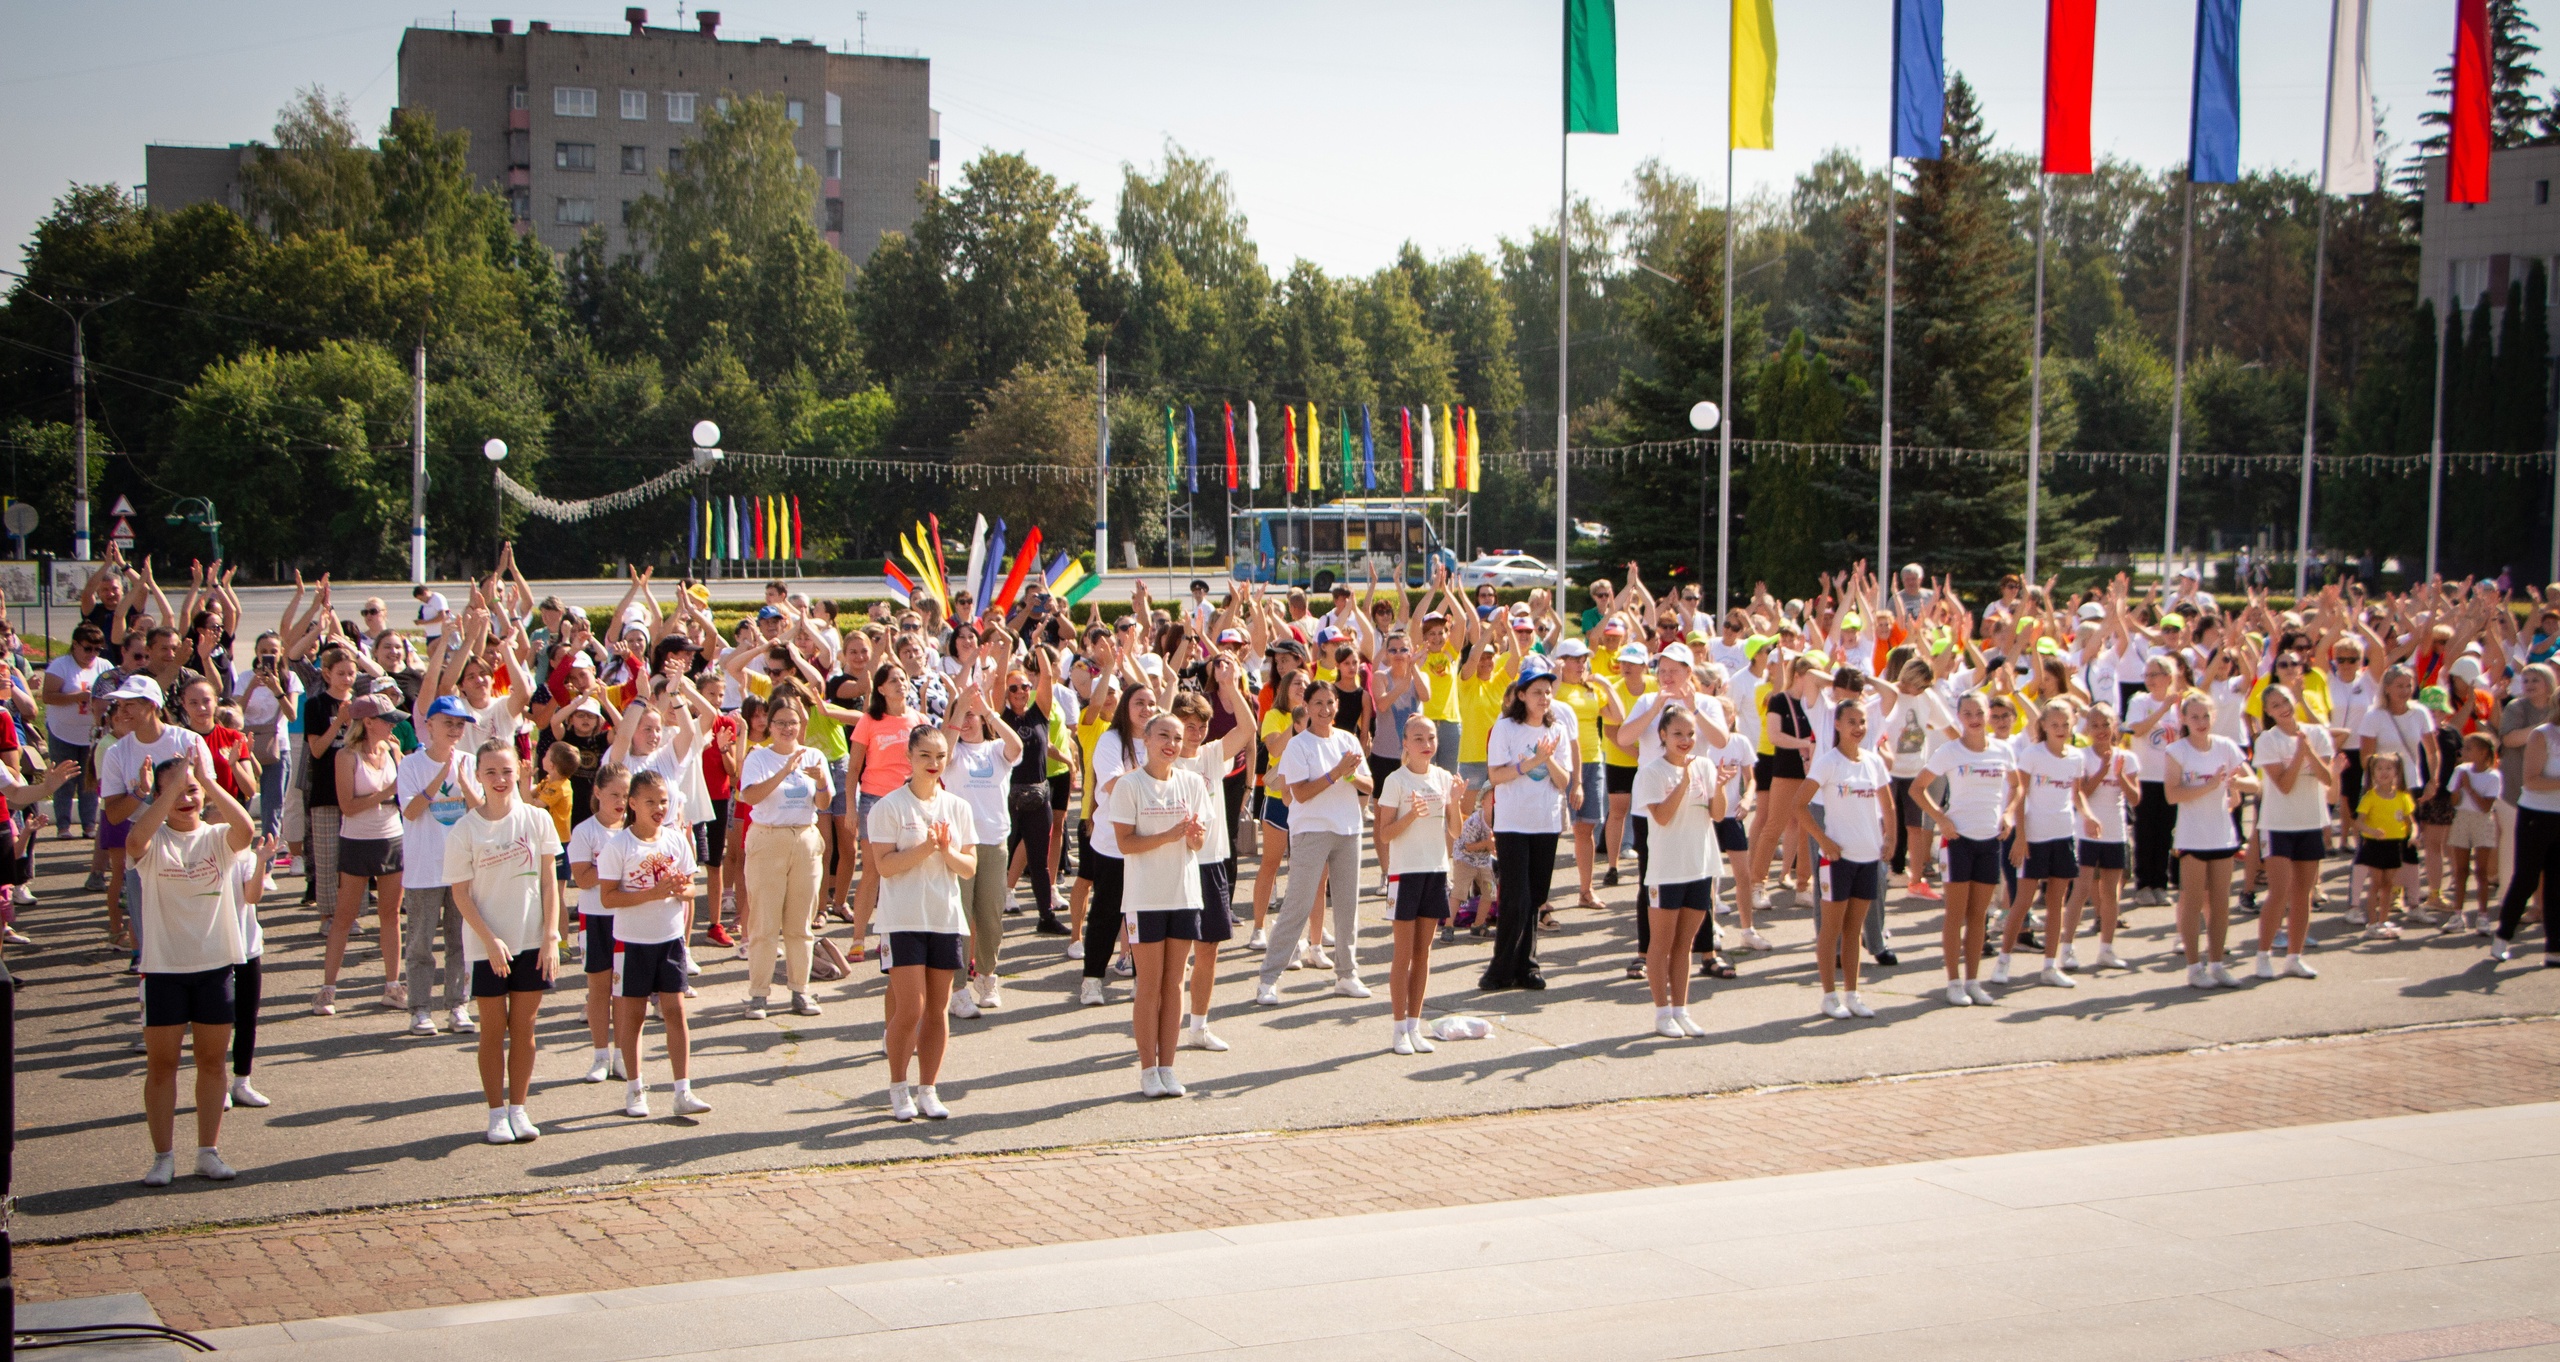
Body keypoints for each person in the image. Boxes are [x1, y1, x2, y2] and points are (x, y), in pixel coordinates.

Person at [130, 753, 256, 1186]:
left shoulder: (219, 837)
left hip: (215, 967)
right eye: (175, 789)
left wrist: (207, 778)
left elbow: (247, 830)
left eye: (192, 790)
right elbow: (134, 841)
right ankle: (163, 1157)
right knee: (162, 1065)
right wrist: (167, 793)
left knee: (212, 1061)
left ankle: (208, 1152)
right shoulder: (152, 841)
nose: (186, 798)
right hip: (164, 970)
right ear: (160, 795)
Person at [443, 740, 564, 1144]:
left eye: (506, 771)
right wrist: (490, 941)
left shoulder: (536, 819)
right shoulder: (464, 830)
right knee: (492, 1030)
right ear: (477, 775)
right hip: (486, 946)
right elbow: (461, 894)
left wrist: (551, 935)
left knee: (525, 1028)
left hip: (531, 940)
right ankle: (496, 1114)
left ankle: (519, 1109)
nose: (499, 780)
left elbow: (549, 879)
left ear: (520, 772)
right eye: (490, 772)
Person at [866, 726, 975, 1119]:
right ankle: (899, 1086)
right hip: (902, 920)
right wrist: (926, 846)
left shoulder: (958, 807)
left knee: (938, 1009)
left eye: (941, 756)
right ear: (909, 757)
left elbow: (969, 867)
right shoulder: (889, 807)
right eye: (925, 755)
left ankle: (928, 1088)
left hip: (944, 919)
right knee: (910, 1006)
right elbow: (884, 866)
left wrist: (946, 850)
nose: (934, 764)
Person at [1109, 713, 1215, 1096]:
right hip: (1144, 898)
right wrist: (1170, 835)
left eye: (1177, 736)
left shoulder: (1191, 783)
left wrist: (1194, 836)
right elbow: (1125, 844)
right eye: (1163, 736)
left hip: (1183, 895)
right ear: (1147, 740)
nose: (1171, 743)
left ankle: (1168, 1067)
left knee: (1174, 984)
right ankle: (1147, 1069)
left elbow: (1198, 844)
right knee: (1149, 986)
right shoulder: (1129, 785)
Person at [598, 770, 710, 1118]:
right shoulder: (619, 845)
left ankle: (682, 1090)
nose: (659, 807)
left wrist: (680, 889)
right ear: (632, 804)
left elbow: (692, 888)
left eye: (663, 801)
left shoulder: (676, 840)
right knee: (633, 1017)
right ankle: (634, 1089)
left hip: (670, 939)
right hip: (632, 943)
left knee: (675, 1012)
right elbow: (607, 898)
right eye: (650, 801)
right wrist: (652, 893)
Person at [1258, 681, 1374, 1003]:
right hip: (1311, 832)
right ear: (1306, 707)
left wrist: (1351, 776)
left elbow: (1368, 785)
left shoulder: (1348, 740)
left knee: (1347, 907)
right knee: (1297, 904)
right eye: (1318, 703)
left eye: (1330, 702)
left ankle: (1347, 974)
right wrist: (1337, 773)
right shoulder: (1299, 745)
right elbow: (1300, 793)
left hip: (1348, 830)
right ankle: (1269, 977)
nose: (1325, 709)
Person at [1171, 668, 1256, 1051]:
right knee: (1177, 952)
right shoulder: (1163, 763)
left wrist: (1231, 686)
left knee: (1209, 950)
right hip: (1174, 866)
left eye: (1201, 724)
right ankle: (1166, 1024)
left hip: (1212, 863)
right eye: (1188, 724)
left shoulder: (1211, 754)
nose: (1196, 731)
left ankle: (1199, 1026)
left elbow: (1247, 728)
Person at [1480, 660, 1577, 992]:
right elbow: (1496, 775)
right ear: (1521, 694)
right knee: (1516, 898)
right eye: (1537, 691)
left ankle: (1527, 965)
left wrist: (1547, 759)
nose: (1544, 697)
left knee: (1535, 897)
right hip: (1513, 824)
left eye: (1548, 691)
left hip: (1546, 823)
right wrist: (1529, 763)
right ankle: (1500, 969)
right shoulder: (1506, 727)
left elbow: (1563, 782)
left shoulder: (1556, 729)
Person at [735, 696, 831, 1018]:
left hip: (804, 838)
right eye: (781, 723)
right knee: (764, 922)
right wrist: (784, 771)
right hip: (767, 838)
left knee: (800, 922)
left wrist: (819, 782)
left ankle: (800, 990)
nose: (788, 729)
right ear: (769, 726)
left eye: (793, 722)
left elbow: (824, 802)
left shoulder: (815, 755)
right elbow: (749, 796)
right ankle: (759, 994)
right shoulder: (758, 758)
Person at [1633, 704, 1724, 1038]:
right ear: (1663, 735)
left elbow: (1717, 814)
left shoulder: (1705, 765)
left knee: (1685, 945)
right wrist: (1683, 781)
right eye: (1677, 734)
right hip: (1666, 870)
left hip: (1699, 866)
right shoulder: (1652, 772)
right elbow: (1662, 816)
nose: (1685, 740)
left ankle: (1681, 1010)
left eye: (1690, 734)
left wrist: (1723, 786)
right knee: (1661, 944)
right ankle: (1661, 1013)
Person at [1914, 693, 2010, 1005]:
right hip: (1957, 842)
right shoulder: (1949, 751)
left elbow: (2019, 786)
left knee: (1979, 916)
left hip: (1989, 842)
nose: (1974, 718)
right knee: (1955, 915)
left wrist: (2008, 815)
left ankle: (1973, 981)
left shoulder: (2002, 750)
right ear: (1959, 717)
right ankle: (1953, 982)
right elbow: (1917, 788)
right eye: (1967, 712)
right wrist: (1941, 819)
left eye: (1979, 712)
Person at [1800, 701, 1894, 1019]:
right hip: (1837, 860)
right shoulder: (1828, 763)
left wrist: (1890, 838)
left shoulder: (1873, 762)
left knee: (1854, 931)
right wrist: (1824, 840)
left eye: (1863, 721)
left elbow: (1888, 803)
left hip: (1868, 857)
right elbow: (1799, 806)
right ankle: (1829, 996)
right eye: (1851, 721)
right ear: (1837, 724)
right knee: (1832, 930)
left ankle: (1852, 994)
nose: (1858, 727)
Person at [397, 695, 483, 1038]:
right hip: (423, 868)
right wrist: (441, 777)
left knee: (460, 940)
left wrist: (463, 783)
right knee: (420, 942)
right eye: (448, 722)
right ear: (429, 725)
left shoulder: (471, 762)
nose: (455, 729)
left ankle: (457, 1005)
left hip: (460, 868)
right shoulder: (410, 765)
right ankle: (419, 1009)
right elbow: (411, 811)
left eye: (460, 724)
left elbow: (480, 813)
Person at [1376, 714, 1460, 1053]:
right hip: (1404, 873)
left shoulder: (1442, 778)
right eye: (1419, 739)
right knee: (1403, 953)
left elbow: (1454, 831)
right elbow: (1383, 834)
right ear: (1405, 744)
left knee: (1423, 953)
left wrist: (1453, 800)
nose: (1427, 745)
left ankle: (1414, 1025)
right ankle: (1398, 1028)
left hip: (1435, 869)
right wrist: (1411, 814)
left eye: (1431, 739)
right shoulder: (1396, 781)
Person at [321, 695, 408, 1015]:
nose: (392, 725)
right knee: (344, 916)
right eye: (386, 719)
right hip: (357, 840)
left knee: (391, 915)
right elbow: (348, 807)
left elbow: (402, 796)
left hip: (391, 837)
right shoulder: (346, 757)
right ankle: (328, 988)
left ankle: (392, 986)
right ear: (368, 723)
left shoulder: (393, 750)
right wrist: (388, 792)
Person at [940, 673, 1021, 1016]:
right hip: (960, 846)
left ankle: (986, 976)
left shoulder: (994, 750)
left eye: (973, 716)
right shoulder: (952, 753)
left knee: (990, 917)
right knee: (959, 919)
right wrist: (959, 708)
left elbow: (1016, 746)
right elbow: (941, 753)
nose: (969, 720)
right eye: (963, 715)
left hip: (994, 843)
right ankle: (957, 988)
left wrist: (988, 711)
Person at [2166, 693, 2257, 987]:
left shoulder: (2226, 746)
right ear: (2184, 719)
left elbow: (2255, 784)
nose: (2201, 722)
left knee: (2220, 904)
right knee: (2191, 903)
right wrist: (2209, 785)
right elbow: (2173, 794)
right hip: (2192, 837)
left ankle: (2217, 963)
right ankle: (2194, 967)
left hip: (2222, 835)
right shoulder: (2176, 750)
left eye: (2206, 716)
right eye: (2194, 717)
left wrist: (2234, 782)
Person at [2012, 700, 2097, 989]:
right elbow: (2020, 796)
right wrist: (2020, 837)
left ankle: (2050, 965)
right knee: (2023, 901)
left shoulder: (2076, 757)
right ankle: (2003, 960)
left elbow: (2076, 795)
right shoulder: (2032, 754)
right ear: (2044, 726)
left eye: (2065, 724)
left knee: (2056, 901)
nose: (2060, 729)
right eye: (2054, 724)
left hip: (2063, 835)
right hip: (2035, 836)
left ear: (2073, 725)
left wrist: (2088, 815)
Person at [2252, 686, 2335, 978]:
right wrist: (2300, 754)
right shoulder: (2267, 740)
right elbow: (2284, 786)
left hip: (2310, 821)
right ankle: (2263, 955)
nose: (2283, 708)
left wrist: (2309, 750)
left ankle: (2294, 956)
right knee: (2279, 890)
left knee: (2303, 891)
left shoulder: (2318, 733)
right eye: (2275, 705)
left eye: (2285, 701)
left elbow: (2327, 778)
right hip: (2277, 825)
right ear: (2269, 712)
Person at [568, 762, 632, 1080]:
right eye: (613, 794)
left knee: (624, 991)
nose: (621, 801)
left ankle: (622, 1054)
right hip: (595, 917)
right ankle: (599, 1055)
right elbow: (582, 878)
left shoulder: (635, 830)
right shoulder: (585, 831)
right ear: (597, 792)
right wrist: (616, 868)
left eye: (626, 794)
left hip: (628, 918)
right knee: (599, 988)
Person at [2065, 705, 2140, 972]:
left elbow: (2135, 798)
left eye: (2105, 724)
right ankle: (2066, 948)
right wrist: (2103, 770)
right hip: (2086, 831)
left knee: (2111, 892)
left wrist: (2118, 774)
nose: (2100, 730)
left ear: (2114, 726)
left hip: (2115, 831)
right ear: (2087, 728)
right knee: (2082, 889)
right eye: (2095, 725)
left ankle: (2106, 949)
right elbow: (2080, 793)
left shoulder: (2127, 758)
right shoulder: (2081, 756)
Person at [2351, 752, 2416, 942]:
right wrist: (2372, 831)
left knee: (2389, 884)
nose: (2383, 772)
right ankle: (2372, 923)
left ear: (2397, 772)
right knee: (2376, 884)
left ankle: (2383, 920)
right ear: (2372, 772)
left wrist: (2413, 834)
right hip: (2375, 844)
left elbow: (2410, 821)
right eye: (2379, 768)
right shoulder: (2370, 797)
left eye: (2388, 768)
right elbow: (2358, 823)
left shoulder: (2402, 796)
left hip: (2394, 843)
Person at [2446, 731, 2504, 934]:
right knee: (2460, 870)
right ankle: (2457, 914)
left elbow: (2485, 807)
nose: (2464, 751)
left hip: (2482, 822)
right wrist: (2456, 790)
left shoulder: (2493, 776)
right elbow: (2454, 802)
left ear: (2482, 752)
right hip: (2462, 819)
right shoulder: (2461, 770)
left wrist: (2469, 788)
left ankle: (2482, 916)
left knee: (2481, 872)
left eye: (2469, 748)